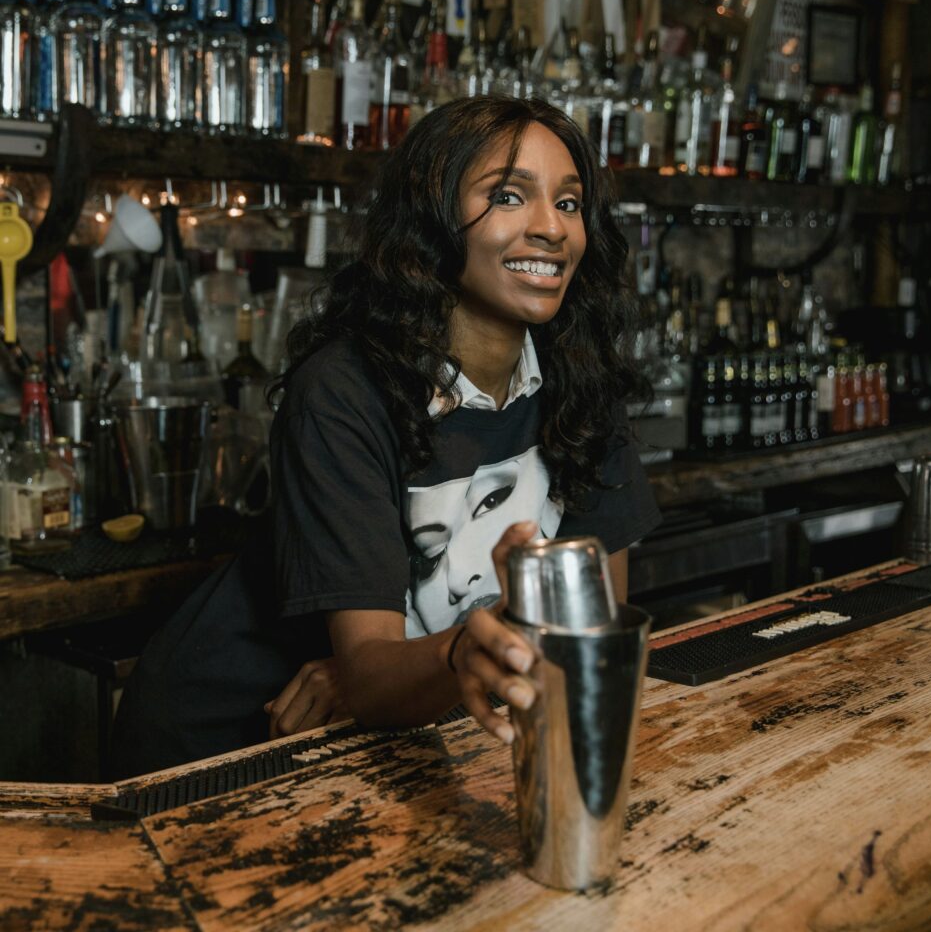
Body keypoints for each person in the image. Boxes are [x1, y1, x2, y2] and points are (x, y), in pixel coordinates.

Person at [111, 95, 661, 777]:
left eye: (571, 203)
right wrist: (428, 662)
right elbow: (374, 673)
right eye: (509, 196)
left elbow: (596, 627)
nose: (552, 227)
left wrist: (406, 672)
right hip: (236, 743)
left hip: (405, 740)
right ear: (432, 216)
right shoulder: (345, 392)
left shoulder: (582, 382)